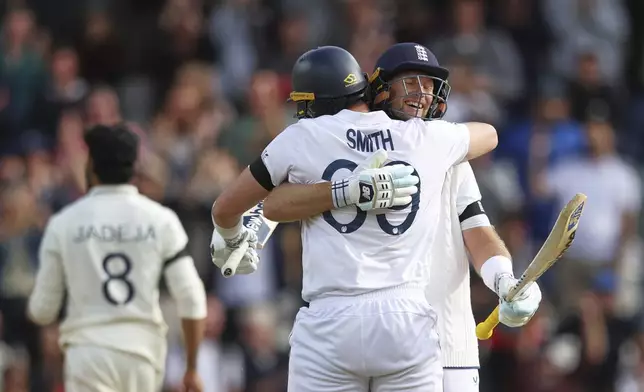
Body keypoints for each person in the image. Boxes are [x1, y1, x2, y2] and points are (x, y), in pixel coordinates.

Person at [210, 45, 498, 391]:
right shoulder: (425, 136)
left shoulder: (303, 136)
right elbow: (489, 134)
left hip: (329, 321)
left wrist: (230, 236)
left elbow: (229, 208)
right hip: (405, 319)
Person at [27, 124, 207, 392]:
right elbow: (193, 301)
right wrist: (191, 368)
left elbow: (43, 310)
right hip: (142, 356)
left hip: (88, 354)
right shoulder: (161, 220)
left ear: (91, 166)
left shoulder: (63, 224)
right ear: (134, 169)